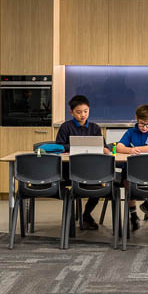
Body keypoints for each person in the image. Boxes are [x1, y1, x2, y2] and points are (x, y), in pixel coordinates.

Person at [113, 104, 148, 230]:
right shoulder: (130, 132)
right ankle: (133, 214)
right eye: (142, 124)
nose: (145, 127)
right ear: (137, 119)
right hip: (132, 171)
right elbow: (119, 147)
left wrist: (135, 148)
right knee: (128, 183)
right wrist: (130, 150)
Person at [57, 95, 104, 230]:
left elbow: (102, 145)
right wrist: (75, 147)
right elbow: (59, 146)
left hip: (90, 170)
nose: (82, 115)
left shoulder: (95, 128)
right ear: (71, 112)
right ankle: (76, 219)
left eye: (85, 111)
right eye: (78, 112)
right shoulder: (66, 127)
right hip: (70, 171)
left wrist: (105, 148)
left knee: (100, 186)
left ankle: (86, 214)